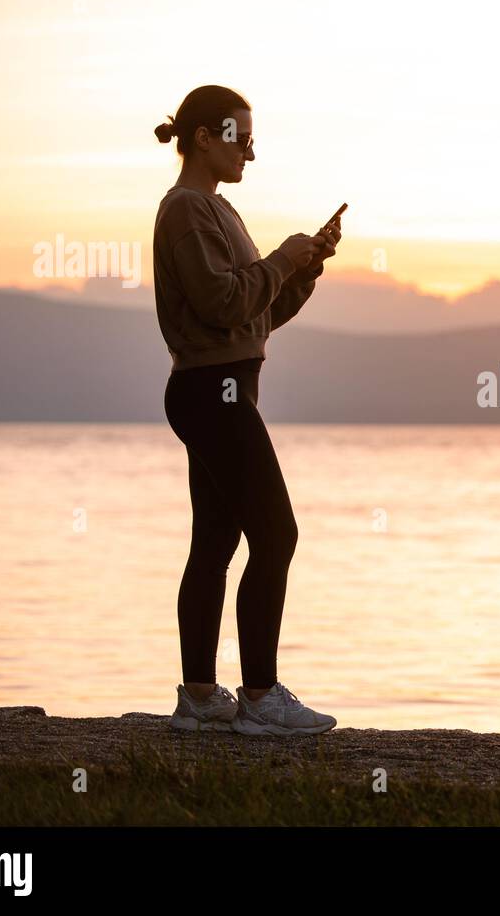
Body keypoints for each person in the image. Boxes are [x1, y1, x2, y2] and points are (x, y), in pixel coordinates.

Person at [152, 84, 339, 735]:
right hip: (212, 394)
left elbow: (255, 315)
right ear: (203, 137)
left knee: (216, 540)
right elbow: (220, 304)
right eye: (240, 137)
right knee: (276, 533)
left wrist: (303, 270)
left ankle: (201, 696)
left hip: (225, 387)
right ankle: (259, 698)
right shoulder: (185, 211)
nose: (250, 153)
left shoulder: (219, 212)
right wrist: (282, 259)